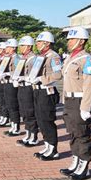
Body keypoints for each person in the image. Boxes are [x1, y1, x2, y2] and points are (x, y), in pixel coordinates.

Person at [60, 27, 91, 180]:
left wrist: (86, 108)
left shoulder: (87, 59)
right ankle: (75, 161)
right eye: (69, 39)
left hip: (80, 101)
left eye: (72, 39)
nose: (69, 42)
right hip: (69, 100)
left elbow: (90, 85)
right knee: (73, 133)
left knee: (82, 135)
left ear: (81, 41)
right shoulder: (70, 58)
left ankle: (84, 166)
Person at [30, 31, 62, 161]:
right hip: (37, 90)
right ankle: (47, 146)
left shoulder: (53, 56)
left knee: (47, 120)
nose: (37, 44)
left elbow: (58, 74)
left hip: (47, 91)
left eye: (39, 42)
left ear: (47, 43)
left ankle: (53, 149)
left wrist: (41, 79)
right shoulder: (40, 56)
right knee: (40, 119)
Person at [14, 36, 39, 147]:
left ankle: (33, 136)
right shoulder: (22, 58)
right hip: (21, 86)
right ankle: (28, 134)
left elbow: (34, 74)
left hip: (29, 87)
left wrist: (24, 78)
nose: (21, 47)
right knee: (23, 111)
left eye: (23, 45)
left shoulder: (33, 58)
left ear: (29, 46)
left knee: (30, 112)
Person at [0, 38, 21, 136]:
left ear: (13, 48)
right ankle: (12, 125)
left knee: (13, 105)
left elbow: (18, 70)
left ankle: (16, 127)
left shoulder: (16, 58)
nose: (6, 49)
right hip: (7, 82)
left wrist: (9, 73)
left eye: (8, 47)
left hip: (13, 83)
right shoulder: (8, 57)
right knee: (8, 104)